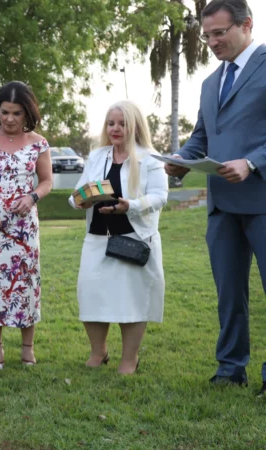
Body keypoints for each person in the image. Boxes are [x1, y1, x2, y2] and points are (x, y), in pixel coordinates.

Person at [165, 0, 266, 394]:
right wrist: (181, 160)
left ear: (247, 25)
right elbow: (202, 137)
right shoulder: (210, 82)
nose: (211, 42)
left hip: (263, 200)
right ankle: (230, 369)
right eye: (207, 35)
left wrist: (253, 162)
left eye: (220, 33)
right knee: (229, 294)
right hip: (221, 206)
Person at [70, 101, 168, 375]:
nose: (115, 128)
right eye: (111, 123)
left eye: (122, 123)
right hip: (98, 237)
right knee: (90, 295)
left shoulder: (150, 158)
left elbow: (161, 196)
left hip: (134, 238)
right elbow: (77, 192)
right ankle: (98, 352)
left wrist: (131, 205)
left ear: (135, 126)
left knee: (132, 300)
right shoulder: (97, 156)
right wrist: (80, 202)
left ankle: (129, 358)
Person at [0, 81, 52, 369]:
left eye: (16, 113)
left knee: (26, 284)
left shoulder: (39, 143)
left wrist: (32, 197)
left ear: (27, 113)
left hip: (23, 229)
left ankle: (28, 349)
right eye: (5, 112)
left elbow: (47, 181)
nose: (10, 119)